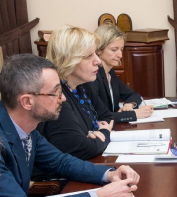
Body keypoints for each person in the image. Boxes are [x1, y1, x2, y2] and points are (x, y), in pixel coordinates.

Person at [0, 53, 139, 197]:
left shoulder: (23, 121)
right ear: (27, 101)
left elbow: (60, 162)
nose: (64, 98)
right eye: (56, 93)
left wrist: (109, 174)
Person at [38, 25, 124, 160]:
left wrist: (93, 134)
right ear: (67, 59)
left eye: (96, 54)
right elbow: (83, 148)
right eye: (89, 56)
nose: (98, 61)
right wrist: (104, 131)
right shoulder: (57, 96)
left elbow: (107, 116)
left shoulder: (82, 85)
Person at [83, 24, 154, 121]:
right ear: (99, 50)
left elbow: (133, 94)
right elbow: (98, 116)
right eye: (114, 50)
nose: (120, 55)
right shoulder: (93, 76)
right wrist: (134, 114)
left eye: (121, 49)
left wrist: (129, 104)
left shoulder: (110, 72)